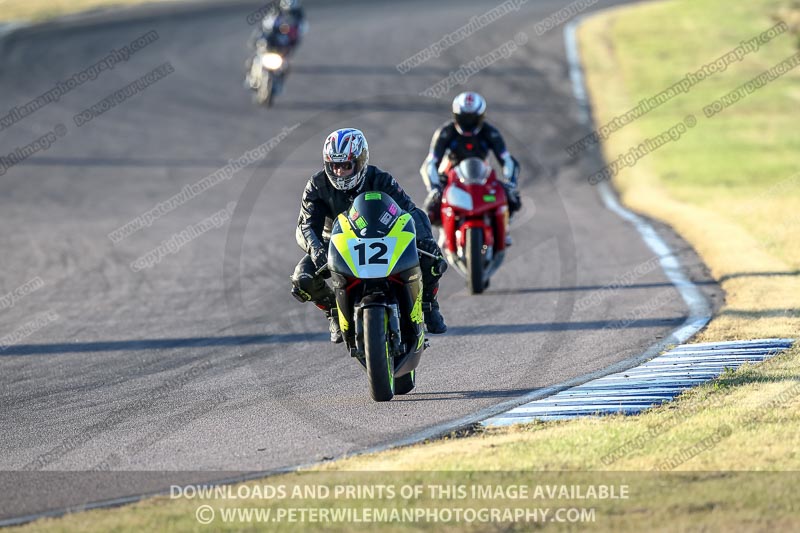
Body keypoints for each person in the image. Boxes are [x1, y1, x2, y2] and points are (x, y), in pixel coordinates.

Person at [291, 128, 448, 343]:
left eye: (346, 166)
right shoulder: (317, 185)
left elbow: (411, 211)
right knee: (302, 279)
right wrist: (316, 248)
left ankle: (428, 304)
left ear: (361, 161)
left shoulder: (380, 179)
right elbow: (305, 226)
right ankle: (334, 311)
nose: (339, 172)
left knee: (433, 258)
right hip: (336, 244)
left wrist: (425, 240)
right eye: (334, 166)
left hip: (382, 237)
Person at [420, 91, 522, 244]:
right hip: (450, 178)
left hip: (481, 176)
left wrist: (510, 183)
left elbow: (507, 160)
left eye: (472, 119)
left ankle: (503, 228)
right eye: (464, 118)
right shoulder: (446, 132)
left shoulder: (490, 132)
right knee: (429, 208)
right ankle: (438, 234)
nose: (468, 123)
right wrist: (434, 187)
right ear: (456, 116)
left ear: (481, 117)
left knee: (513, 199)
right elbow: (430, 162)